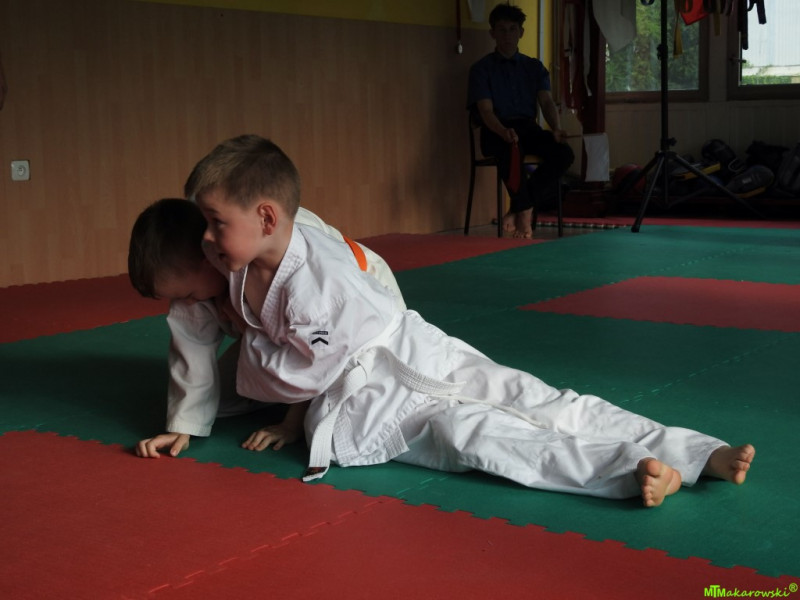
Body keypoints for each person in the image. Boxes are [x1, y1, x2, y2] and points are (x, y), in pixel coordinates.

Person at [187, 133, 754, 508]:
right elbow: (297, 367)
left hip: (419, 356)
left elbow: (299, 371)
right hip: (382, 409)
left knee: (545, 401)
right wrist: (288, 417)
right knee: (487, 438)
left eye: (215, 223)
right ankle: (631, 470)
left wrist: (278, 398)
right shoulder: (244, 260)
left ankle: (697, 452)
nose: (207, 238)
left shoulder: (319, 275)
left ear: (267, 218)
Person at [127, 197, 406, 459]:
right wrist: (183, 427)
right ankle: (290, 391)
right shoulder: (202, 274)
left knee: (346, 426)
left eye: (188, 294)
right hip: (289, 336)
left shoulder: (274, 255)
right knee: (217, 402)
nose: (187, 303)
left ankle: (307, 401)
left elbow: (318, 347)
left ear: (208, 259)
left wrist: (291, 425)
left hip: (358, 315)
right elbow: (192, 350)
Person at [467, 3, 574, 239]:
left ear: (521, 32)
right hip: (496, 129)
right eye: (502, 30)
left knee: (563, 153)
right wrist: (503, 131)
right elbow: (485, 111)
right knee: (511, 149)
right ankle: (525, 215)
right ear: (492, 33)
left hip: (528, 127)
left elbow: (546, 102)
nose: (507, 35)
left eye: (513, 29)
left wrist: (556, 128)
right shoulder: (481, 69)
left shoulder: (533, 67)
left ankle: (519, 207)